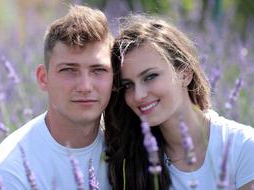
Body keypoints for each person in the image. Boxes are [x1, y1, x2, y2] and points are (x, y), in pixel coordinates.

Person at [104, 14, 254, 190]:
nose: (138, 95)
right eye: (128, 85)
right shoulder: (128, 159)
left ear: (185, 73)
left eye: (150, 76)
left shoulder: (243, 147)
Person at [0, 5, 113, 189]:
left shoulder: (129, 147)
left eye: (98, 70)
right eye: (69, 70)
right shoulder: (9, 170)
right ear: (43, 78)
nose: (85, 86)